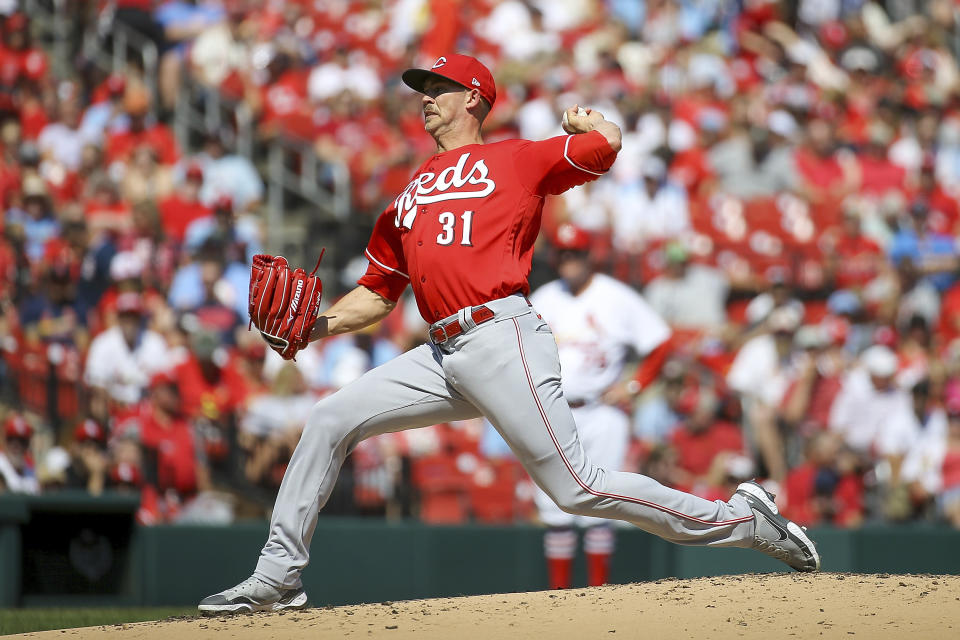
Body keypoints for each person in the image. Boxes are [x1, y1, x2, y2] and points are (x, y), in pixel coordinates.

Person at [199, 53, 820, 615]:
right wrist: (318, 323)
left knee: (576, 490)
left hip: (502, 335)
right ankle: (278, 577)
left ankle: (742, 519)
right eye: (422, 88)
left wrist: (590, 121)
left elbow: (606, 146)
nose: (425, 97)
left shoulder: (517, 158)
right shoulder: (408, 195)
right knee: (329, 418)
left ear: (473, 97)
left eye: (438, 87)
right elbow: (377, 295)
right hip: (440, 351)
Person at [528, 222, 672, 589]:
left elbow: (660, 342)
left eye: (575, 253)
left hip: (602, 411)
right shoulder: (544, 298)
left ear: (589, 256)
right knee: (554, 509)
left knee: (601, 505)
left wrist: (636, 384)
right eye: (562, 253)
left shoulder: (616, 297)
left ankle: (599, 597)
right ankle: (558, 597)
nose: (568, 259)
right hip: (552, 410)